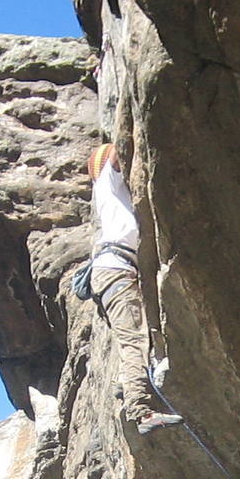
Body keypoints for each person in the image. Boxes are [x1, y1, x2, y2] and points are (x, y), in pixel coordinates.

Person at [84, 143, 180, 435]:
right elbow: (116, 153)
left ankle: (122, 384)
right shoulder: (107, 181)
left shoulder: (110, 193)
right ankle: (140, 411)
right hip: (116, 271)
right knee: (135, 340)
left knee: (129, 335)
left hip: (111, 271)